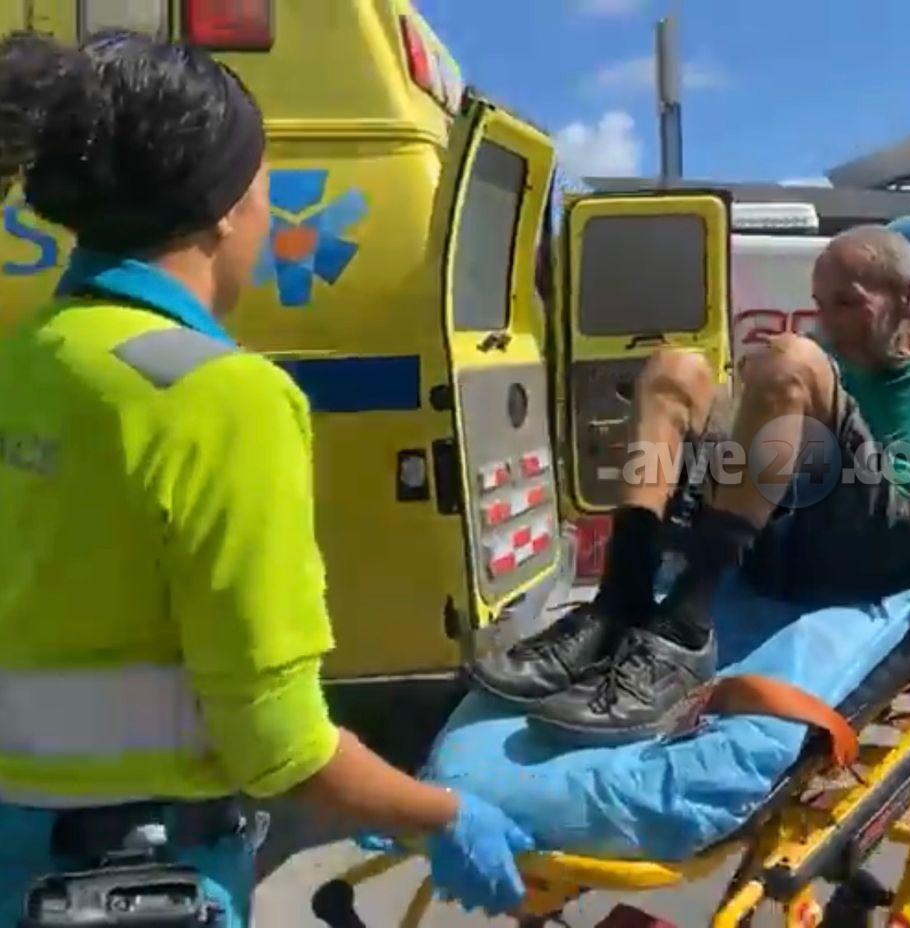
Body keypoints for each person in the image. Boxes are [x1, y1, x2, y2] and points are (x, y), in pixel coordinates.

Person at [0, 31, 533, 924]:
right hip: (137, 885)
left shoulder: (20, 363)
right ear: (224, 208)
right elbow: (279, 745)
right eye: (265, 182)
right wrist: (438, 815)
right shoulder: (221, 397)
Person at [501, 224, 910, 740]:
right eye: (821, 305)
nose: (830, 323)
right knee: (674, 370)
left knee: (792, 359)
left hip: (887, 537)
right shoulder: (831, 364)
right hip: (789, 530)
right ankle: (618, 600)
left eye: (848, 304)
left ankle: (686, 629)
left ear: (908, 297)